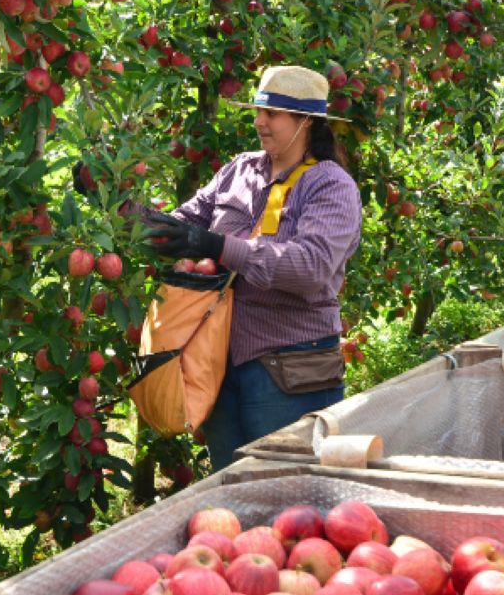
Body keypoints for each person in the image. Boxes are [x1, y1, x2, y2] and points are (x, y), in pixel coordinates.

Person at [146, 65, 362, 469]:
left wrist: (218, 245)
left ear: (305, 121)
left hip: (291, 369)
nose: (260, 121)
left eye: (272, 113)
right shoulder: (241, 170)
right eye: (258, 111)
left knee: (287, 486)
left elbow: (310, 267)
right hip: (221, 360)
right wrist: (119, 210)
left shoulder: (330, 186)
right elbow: (181, 224)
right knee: (232, 482)